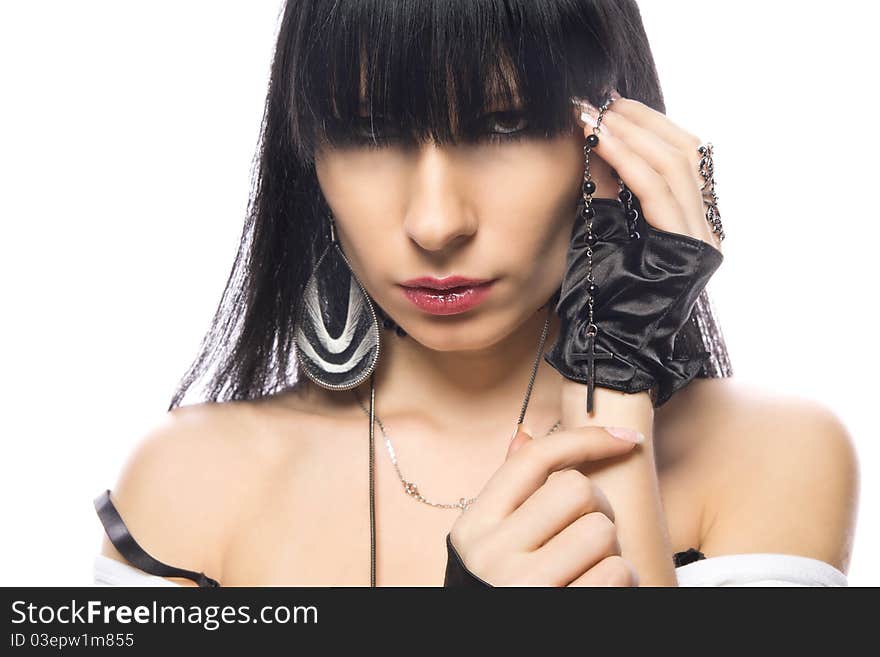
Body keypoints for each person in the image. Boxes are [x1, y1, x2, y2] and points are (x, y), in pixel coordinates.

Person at [93, 0, 858, 587]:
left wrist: (613, 375)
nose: (436, 223)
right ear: (310, 158)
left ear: (611, 136)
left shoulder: (774, 457)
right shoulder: (185, 482)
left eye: (502, 124)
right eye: (365, 131)